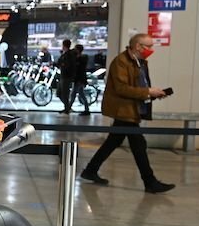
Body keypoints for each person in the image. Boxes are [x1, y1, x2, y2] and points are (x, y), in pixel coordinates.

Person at [80, 33, 175, 193]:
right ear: (138, 46)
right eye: (149, 46)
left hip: (131, 109)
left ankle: (90, 170)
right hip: (124, 110)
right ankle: (150, 181)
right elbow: (122, 88)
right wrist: (148, 92)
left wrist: (152, 94)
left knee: (113, 142)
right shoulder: (121, 62)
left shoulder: (140, 62)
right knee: (138, 145)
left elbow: (139, 85)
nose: (151, 50)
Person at [71, 44, 91, 115]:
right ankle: (86, 109)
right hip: (78, 79)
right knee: (80, 94)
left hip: (79, 79)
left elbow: (80, 69)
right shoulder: (80, 58)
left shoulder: (82, 58)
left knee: (75, 94)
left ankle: (69, 108)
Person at [56, 39, 75, 114]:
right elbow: (59, 63)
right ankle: (67, 107)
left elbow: (67, 65)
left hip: (66, 76)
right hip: (63, 76)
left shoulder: (69, 54)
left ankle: (67, 109)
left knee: (64, 93)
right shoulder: (65, 54)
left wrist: (62, 65)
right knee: (60, 93)